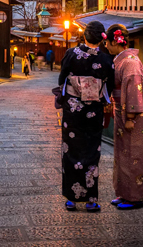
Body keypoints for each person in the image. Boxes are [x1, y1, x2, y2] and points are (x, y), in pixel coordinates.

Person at [58, 21, 114, 212]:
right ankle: (91, 200)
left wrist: (71, 93)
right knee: (91, 152)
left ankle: (71, 199)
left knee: (71, 150)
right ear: (101, 38)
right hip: (94, 111)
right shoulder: (106, 60)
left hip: (73, 110)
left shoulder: (71, 54)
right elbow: (109, 86)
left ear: (85, 35)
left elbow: (62, 79)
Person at [104, 23, 143, 210]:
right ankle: (123, 193)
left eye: (107, 42)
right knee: (122, 153)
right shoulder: (121, 60)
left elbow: (134, 90)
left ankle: (134, 197)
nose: (105, 46)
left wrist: (130, 117)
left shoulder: (129, 62)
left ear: (116, 40)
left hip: (131, 114)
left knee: (133, 153)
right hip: (121, 110)